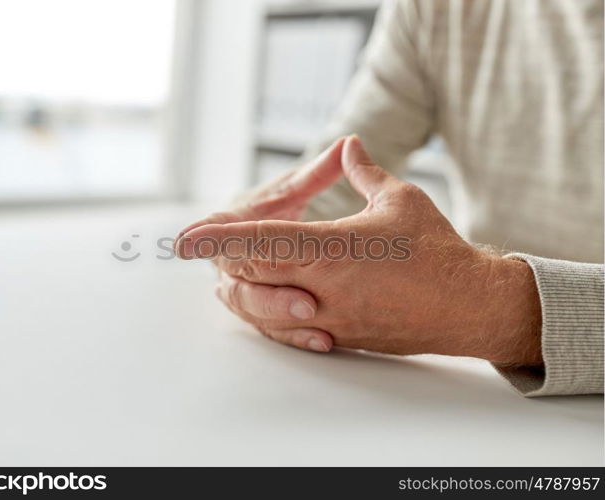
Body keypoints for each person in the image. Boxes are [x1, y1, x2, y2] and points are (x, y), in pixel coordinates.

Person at [174, 0, 603, 397]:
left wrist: (496, 310)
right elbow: (334, 176)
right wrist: (260, 247)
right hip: (482, 400)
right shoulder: (436, 9)